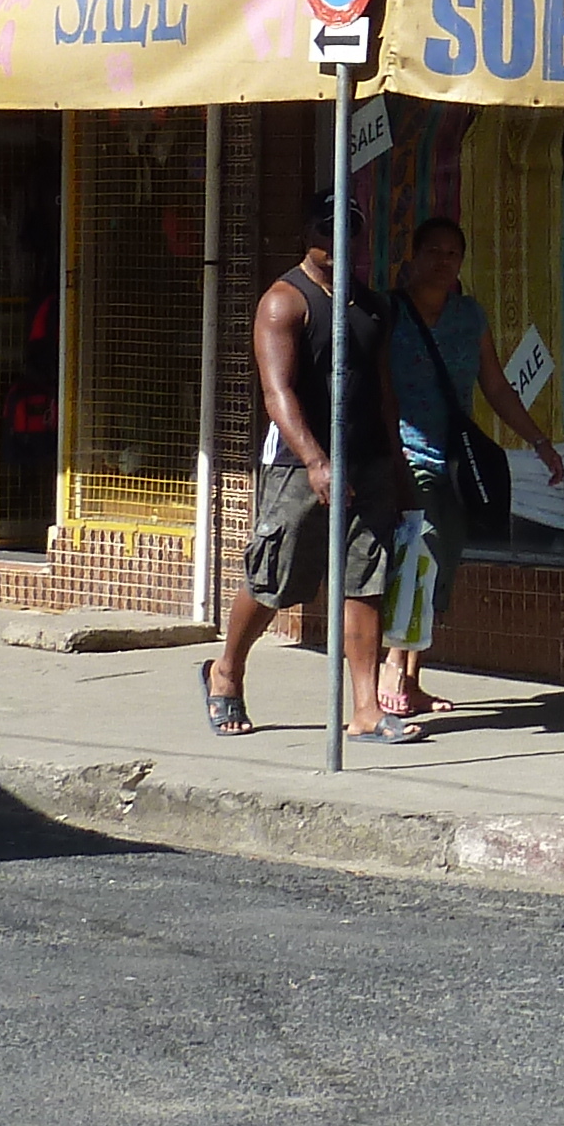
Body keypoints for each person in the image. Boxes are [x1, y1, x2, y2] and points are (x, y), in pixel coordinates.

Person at [198, 234, 406, 745]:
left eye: (349, 230)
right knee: (277, 576)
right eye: (327, 230)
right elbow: (277, 390)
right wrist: (316, 460)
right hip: (300, 463)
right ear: (309, 237)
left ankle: (364, 708)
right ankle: (225, 671)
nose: (339, 241)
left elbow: (383, 390)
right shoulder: (284, 301)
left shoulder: (371, 305)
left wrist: (396, 462)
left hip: (369, 459)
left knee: (366, 577)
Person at [379, 214, 564, 723]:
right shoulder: (390, 314)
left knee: (441, 565)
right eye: (433, 252)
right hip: (406, 456)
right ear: (411, 258)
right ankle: (393, 666)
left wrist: (540, 442)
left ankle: (413, 679)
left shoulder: (469, 316)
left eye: (452, 254)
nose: (443, 262)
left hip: (457, 462)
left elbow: (497, 387)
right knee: (421, 551)